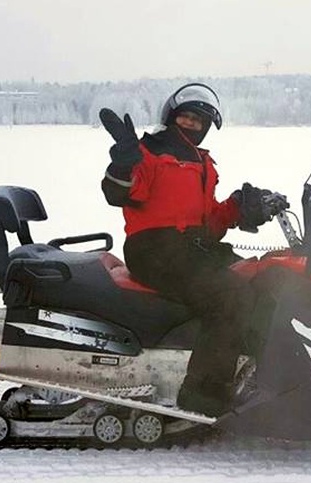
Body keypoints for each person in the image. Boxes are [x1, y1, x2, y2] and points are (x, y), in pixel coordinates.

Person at [98, 83, 273, 416]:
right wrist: (121, 164)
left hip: (192, 249)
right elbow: (119, 192)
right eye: (187, 117)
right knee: (230, 295)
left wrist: (241, 208)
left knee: (263, 278)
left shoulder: (202, 163)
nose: (192, 124)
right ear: (172, 116)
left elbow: (208, 221)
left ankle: (264, 373)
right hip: (154, 251)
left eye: (199, 121)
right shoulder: (148, 153)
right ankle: (204, 395)